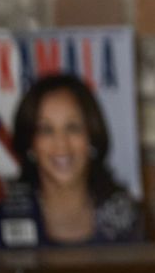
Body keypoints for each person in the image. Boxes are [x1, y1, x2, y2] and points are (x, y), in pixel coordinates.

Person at [10, 74, 143, 246]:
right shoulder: (10, 212)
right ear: (31, 143)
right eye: (47, 130)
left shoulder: (125, 214)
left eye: (73, 128)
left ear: (91, 136)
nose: (61, 144)